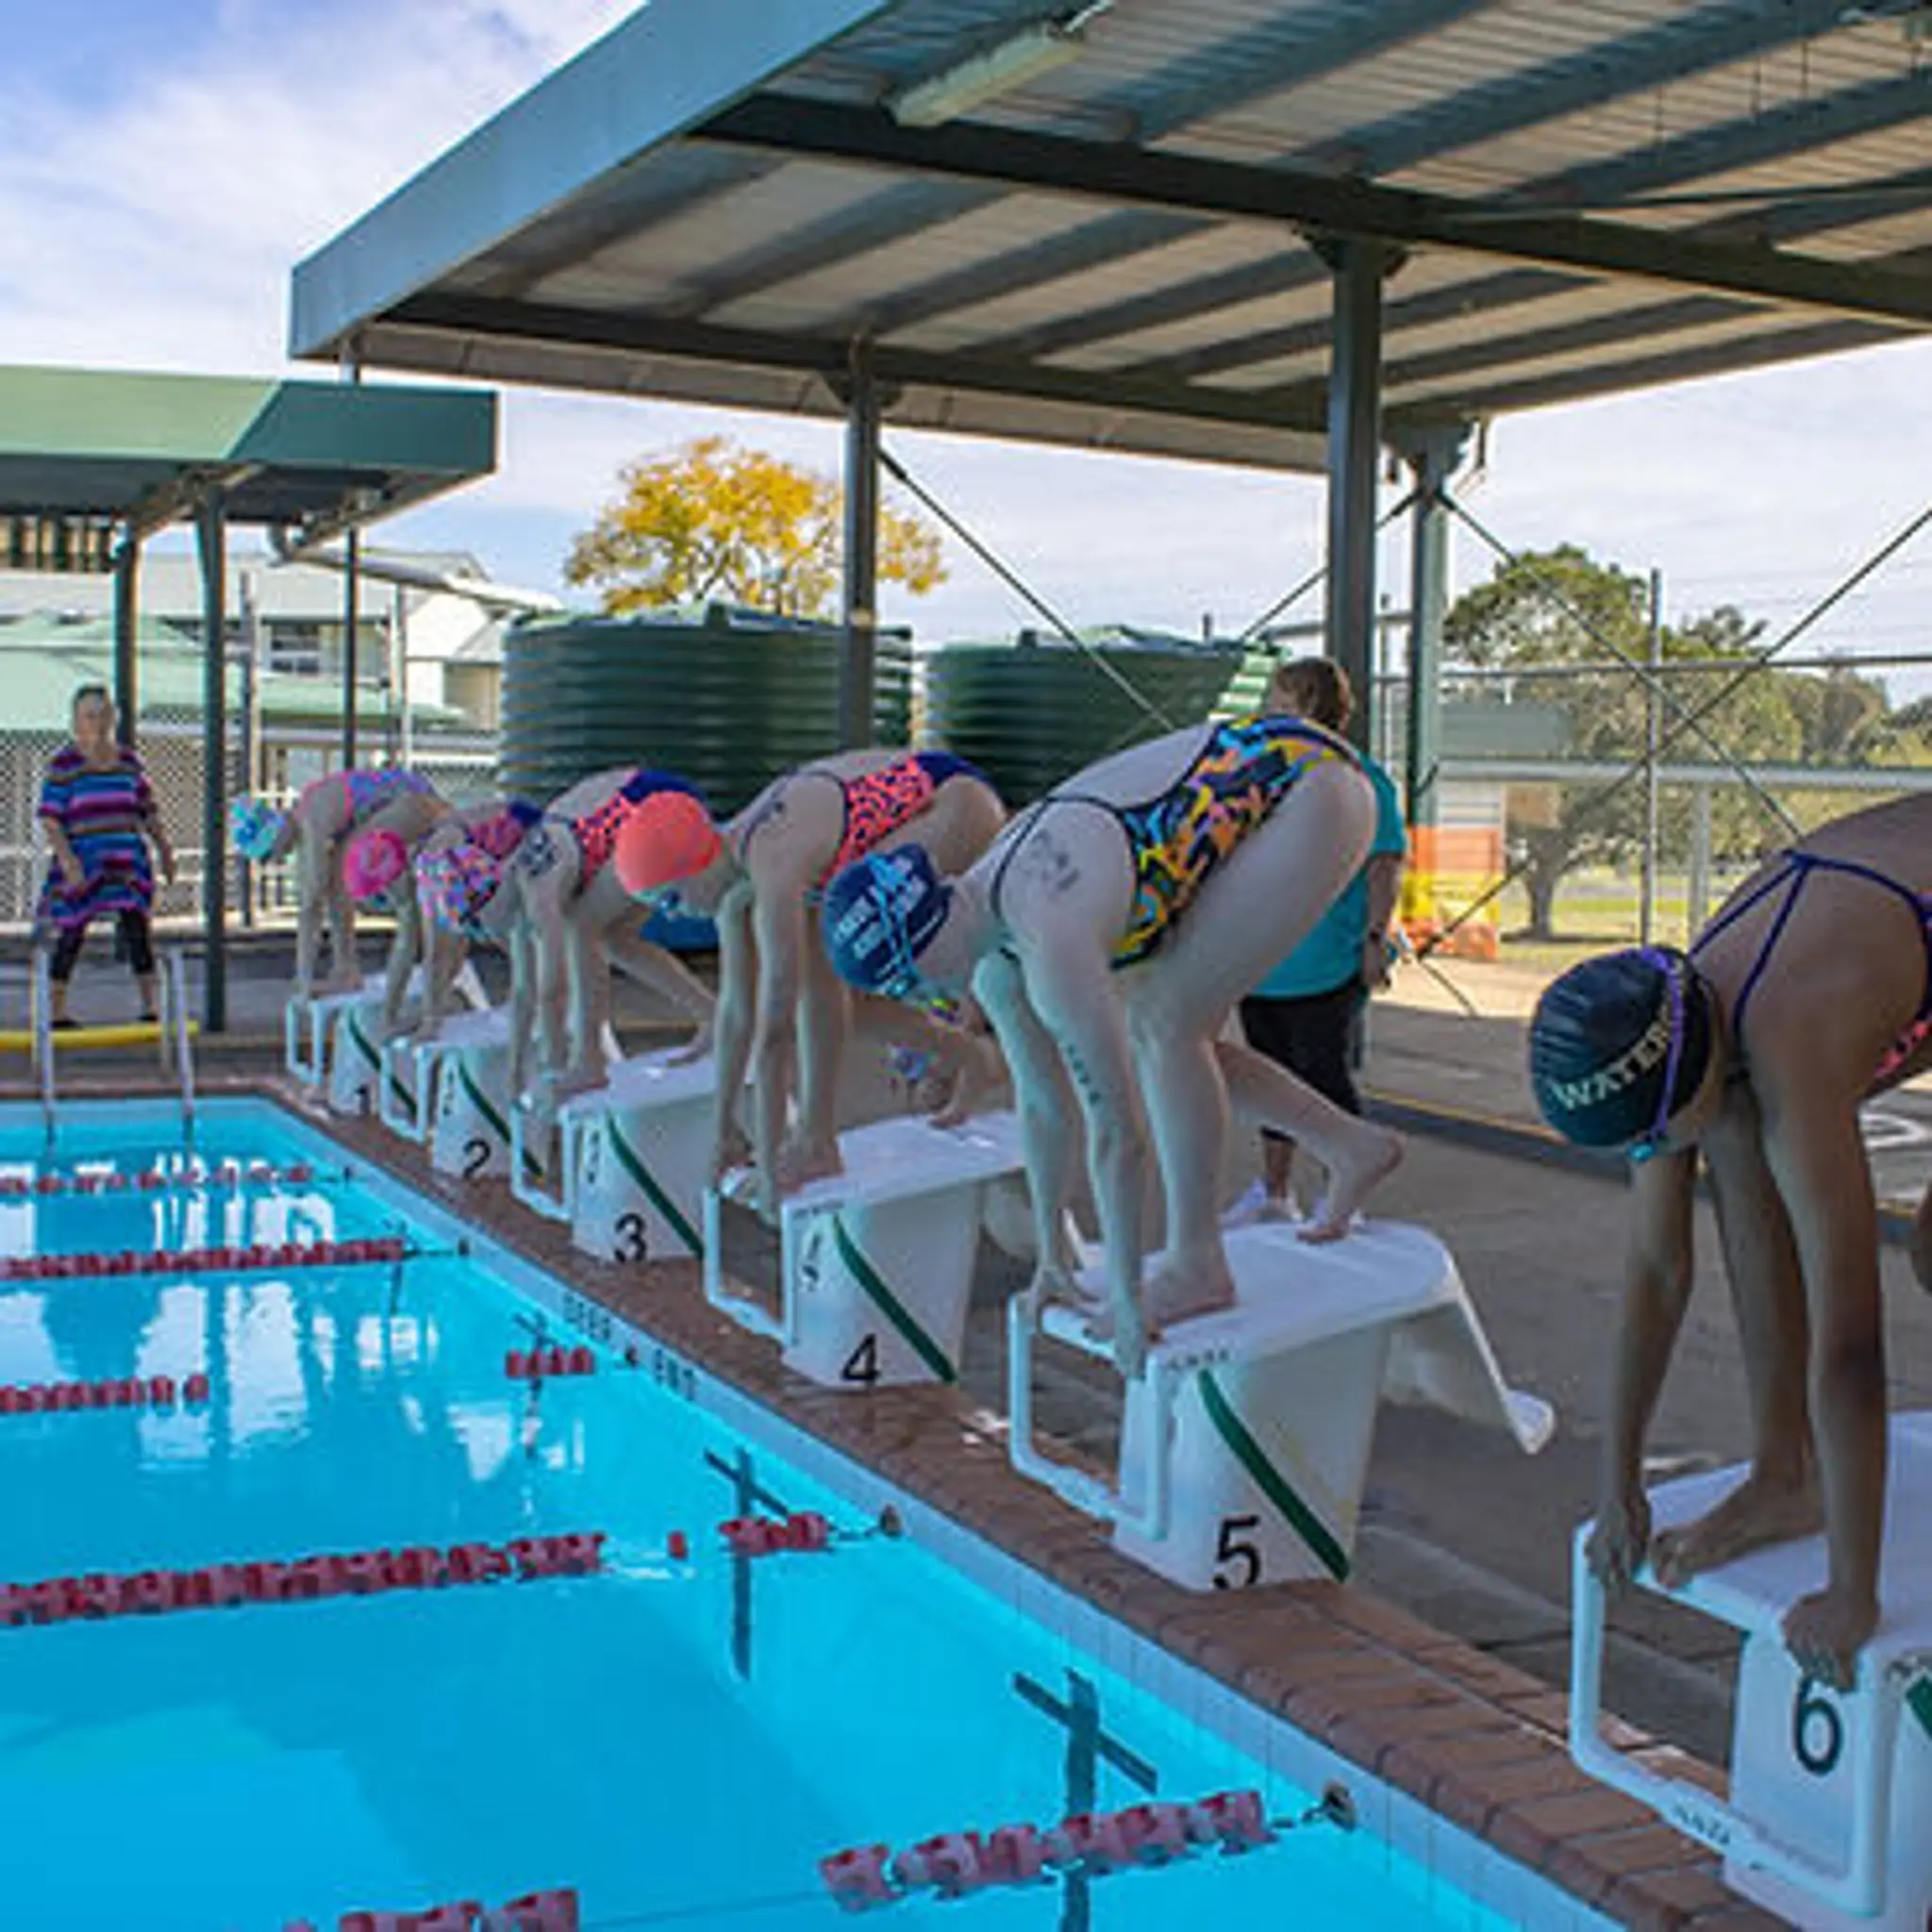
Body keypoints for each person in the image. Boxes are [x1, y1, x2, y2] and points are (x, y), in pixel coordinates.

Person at [817, 714, 1406, 1379]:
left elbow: (1117, 1134)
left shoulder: (1048, 935)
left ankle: (1197, 1263)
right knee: (1163, 1023)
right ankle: (1351, 1147)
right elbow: (1041, 1105)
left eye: (915, 982)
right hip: (1252, 786)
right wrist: (1051, 1258)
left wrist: (1127, 1298)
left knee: (1166, 1027)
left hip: (1311, 787)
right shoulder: (985, 938)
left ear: (924, 949)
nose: (928, 1000)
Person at [1528, 792, 1932, 1690]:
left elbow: (1853, 1342)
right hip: (1884, 925)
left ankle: (1806, 1478)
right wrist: (1616, 1478)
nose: (1651, 1159)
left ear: (1680, 1077)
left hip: (1875, 944)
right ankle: (1786, 1471)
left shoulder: (1793, 1039)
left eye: (1653, 1135)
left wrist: (1851, 1593)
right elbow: (1657, 1266)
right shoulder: (1673, 1018)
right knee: (1735, 1132)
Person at [611, 750, 1008, 1219]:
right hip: (872, 828)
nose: (673, 914)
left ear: (695, 865)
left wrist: (776, 1160)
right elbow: (737, 1016)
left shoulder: (773, 860)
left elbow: (776, 1027)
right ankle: (970, 1055)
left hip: (954, 803)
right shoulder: (735, 888)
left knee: (831, 969)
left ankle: (822, 1138)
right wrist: (723, 1133)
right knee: (839, 998)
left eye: (671, 899)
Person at [426, 769, 714, 1103]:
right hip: (637, 808)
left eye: (475, 925)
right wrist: (517, 1069)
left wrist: (553, 1067)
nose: (482, 935)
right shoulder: (515, 903)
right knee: (614, 940)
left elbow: (553, 989)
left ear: (486, 898)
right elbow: (524, 992)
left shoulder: (536, 882)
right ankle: (714, 1015)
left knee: (582, 929)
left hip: (650, 802)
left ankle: (589, 1062)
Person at [1237, 659, 1406, 1220]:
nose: (1268, 714)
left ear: (1311, 710)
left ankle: (1344, 1187)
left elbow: (1385, 865)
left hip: (1323, 961)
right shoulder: (1267, 779)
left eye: (1280, 705)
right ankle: (1274, 1191)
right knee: (1270, 1081)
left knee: (1323, 1074)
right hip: (1263, 958)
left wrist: (1375, 938)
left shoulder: (1359, 780)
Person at [230, 767, 443, 998]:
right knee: (338, 876)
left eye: (269, 854)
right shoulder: (307, 814)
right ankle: (345, 970)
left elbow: (311, 904)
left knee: (344, 867)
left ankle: (349, 971)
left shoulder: (311, 820)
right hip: (411, 800)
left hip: (416, 802)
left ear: (275, 833)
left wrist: (303, 976)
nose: (276, 860)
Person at [36, 684, 176, 1027]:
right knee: (73, 928)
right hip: (84, 857)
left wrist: (165, 850)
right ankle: (56, 1010)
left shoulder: (129, 762)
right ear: (76, 721)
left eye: (102, 715)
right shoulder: (64, 764)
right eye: (89, 716)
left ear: (113, 718)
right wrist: (68, 861)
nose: (96, 723)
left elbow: (148, 810)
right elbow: (51, 818)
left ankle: (150, 1006)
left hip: (125, 857)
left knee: (137, 926)